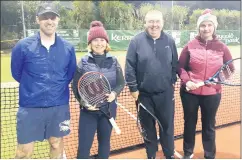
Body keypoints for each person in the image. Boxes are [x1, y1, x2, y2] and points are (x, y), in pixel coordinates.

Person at [11, 2, 76, 159]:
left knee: (56, 145)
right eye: (45, 17)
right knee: (23, 151)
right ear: (37, 20)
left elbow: (69, 74)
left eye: (52, 17)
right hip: (30, 107)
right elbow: (16, 73)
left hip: (58, 107)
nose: (49, 21)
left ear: (58, 19)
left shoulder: (68, 48)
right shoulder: (22, 46)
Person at [177, 9, 234, 159]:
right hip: (190, 93)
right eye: (203, 25)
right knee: (189, 124)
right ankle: (188, 153)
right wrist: (187, 81)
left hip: (212, 94)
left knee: (209, 125)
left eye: (209, 25)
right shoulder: (190, 45)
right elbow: (180, 67)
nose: (206, 28)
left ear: (214, 27)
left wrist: (218, 78)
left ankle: (209, 155)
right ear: (199, 27)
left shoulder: (222, 47)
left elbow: (230, 68)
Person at [125, 10, 178, 159]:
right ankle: (151, 155)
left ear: (162, 23)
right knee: (148, 128)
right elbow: (129, 66)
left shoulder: (170, 41)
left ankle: (169, 155)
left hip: (165, 94)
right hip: (144, 95)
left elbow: (175, 64)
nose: (154, 25)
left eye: (157, 22)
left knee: (167, 127)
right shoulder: (136, 41)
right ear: (145, 23)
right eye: (151, 21)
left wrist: (171, 81)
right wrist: (133, 88)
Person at [72, 21, 125, 159]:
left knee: (104, 144)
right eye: (95, 40)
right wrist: (84, 103)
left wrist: (114, 94)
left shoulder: (113, 61)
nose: (99, 43)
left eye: (102, 40)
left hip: (108, 110)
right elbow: (75, 86)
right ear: (90, 43)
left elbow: (121, 82)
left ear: (106, 43)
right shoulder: (83, 62)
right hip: (88, 112)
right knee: (84, 147)